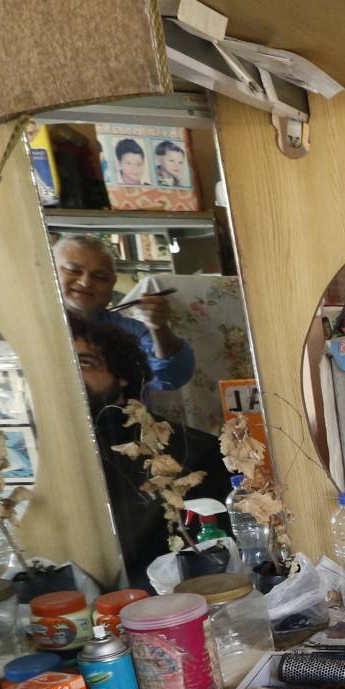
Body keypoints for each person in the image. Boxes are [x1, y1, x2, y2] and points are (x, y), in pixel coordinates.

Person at [67, 310, 229, 588]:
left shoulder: (195, 452)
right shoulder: (56, 459)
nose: (71, 374)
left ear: (122, 374)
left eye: (85, 362)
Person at [52, 234, 194, 391]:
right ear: (48, 270)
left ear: (112, 283)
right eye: (73, 270)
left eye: (99, 277)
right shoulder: (29, 326)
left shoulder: (128, 332)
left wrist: (159, 328)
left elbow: (171, 377)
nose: (85, 282)